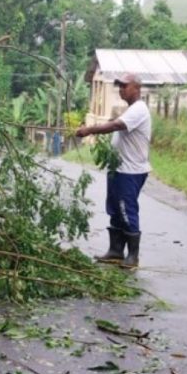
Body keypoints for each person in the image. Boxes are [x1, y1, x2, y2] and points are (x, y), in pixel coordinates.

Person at [75, 73, 152, 268]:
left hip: (130, 171)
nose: (121, 89)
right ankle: (116, 251)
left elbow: (117, 125)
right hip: (118, 169)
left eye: (125, 86)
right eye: (120, 86)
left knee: (127, 210)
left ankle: (133, 256)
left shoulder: (139, 109)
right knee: (115, 209)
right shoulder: (130, 110)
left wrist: (90, 130)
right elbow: (117, 122)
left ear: (136, 88)